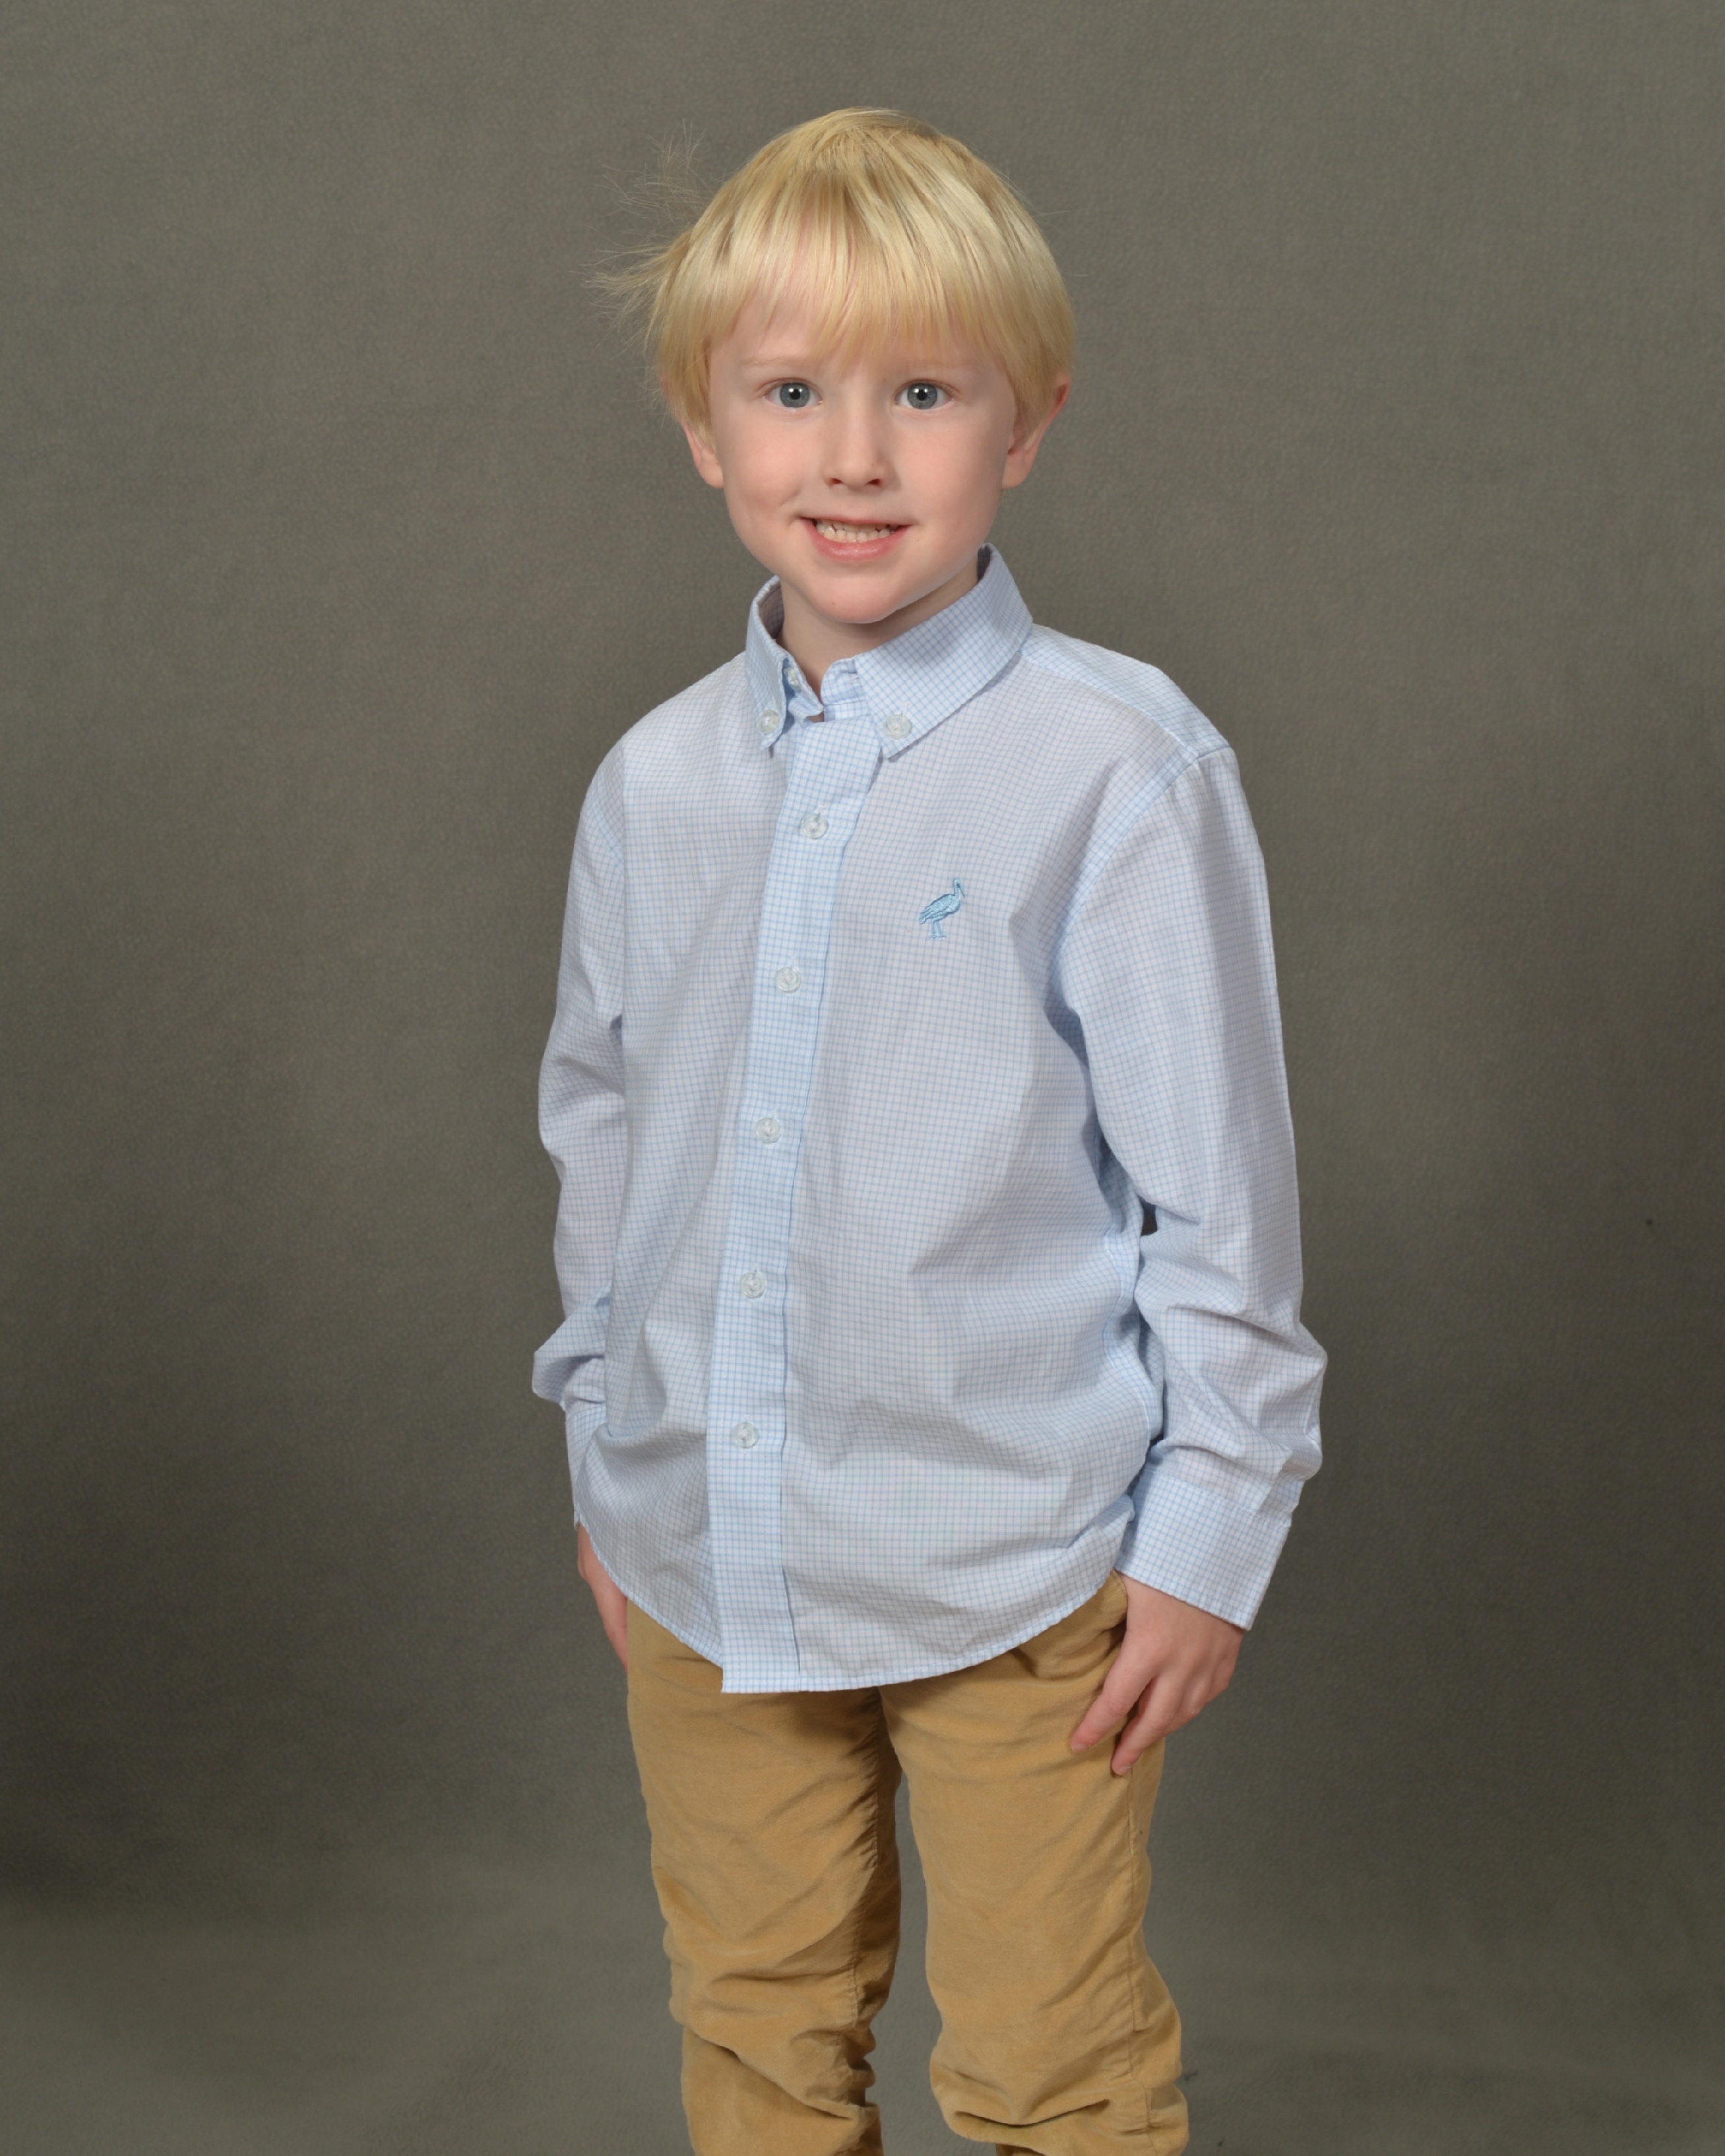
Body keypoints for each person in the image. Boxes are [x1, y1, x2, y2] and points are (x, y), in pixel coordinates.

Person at [532, 108, 1325, 2156]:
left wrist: (1210, 1530)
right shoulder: (653, 785)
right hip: (710, 1553)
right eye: (790, 392)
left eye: (925, 394)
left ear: (1029, 423)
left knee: (1050, 2054)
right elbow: (607, 1134)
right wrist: (609, 1446)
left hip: (1023, 1563)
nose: (854, 457)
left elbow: (1217, 1197)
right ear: (704, 426)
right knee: (755, 2022)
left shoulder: (1120, 769)